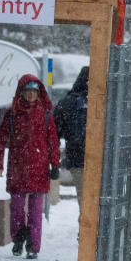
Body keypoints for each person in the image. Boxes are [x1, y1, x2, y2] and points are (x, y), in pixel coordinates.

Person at [0, 75, 61, 259]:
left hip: (39, 168)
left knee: (35, 211)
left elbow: (53, 142)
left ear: (38, 93)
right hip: (18, 168)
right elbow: (0, 140)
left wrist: (55, 164)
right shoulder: (12, 114)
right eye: (27, 91)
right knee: (16, 208)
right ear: (21, 92)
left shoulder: (46, 114)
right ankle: (18, 238)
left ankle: (33, 246)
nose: (31, 95)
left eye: (34, 91)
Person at [53, 66, 89, 222]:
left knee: (84, 197)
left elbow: (55, 131)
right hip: (101, 158)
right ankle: (94, 233)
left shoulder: (67, 102)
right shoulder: (104, 101)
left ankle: (86, 230)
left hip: (77, 158)